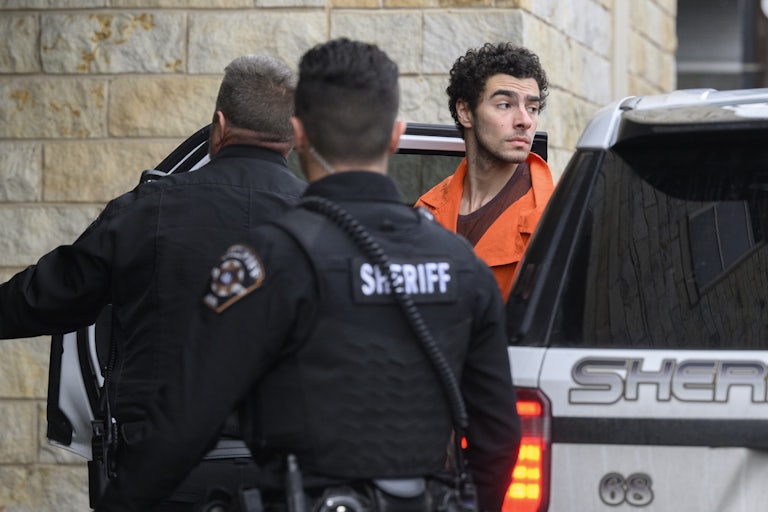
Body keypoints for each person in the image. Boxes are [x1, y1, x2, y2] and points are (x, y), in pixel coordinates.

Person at [94, 38, 521, 512]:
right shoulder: (463, 265)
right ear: (396, 134)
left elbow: (185, 421)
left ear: (298, 133)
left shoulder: (267, 260)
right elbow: (498, 437)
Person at [0, 54, 307, 509]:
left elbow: (45, 297)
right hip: (290, 481)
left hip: (162, 479)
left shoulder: (147, 210)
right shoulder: (325, 219)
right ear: (295, 136)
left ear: (219, 126)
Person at [415, 43, 555, 302]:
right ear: (465, 112)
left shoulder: (555, 219)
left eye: (532, 108)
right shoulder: (426, 211)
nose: (524, 120)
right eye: (505, 105)